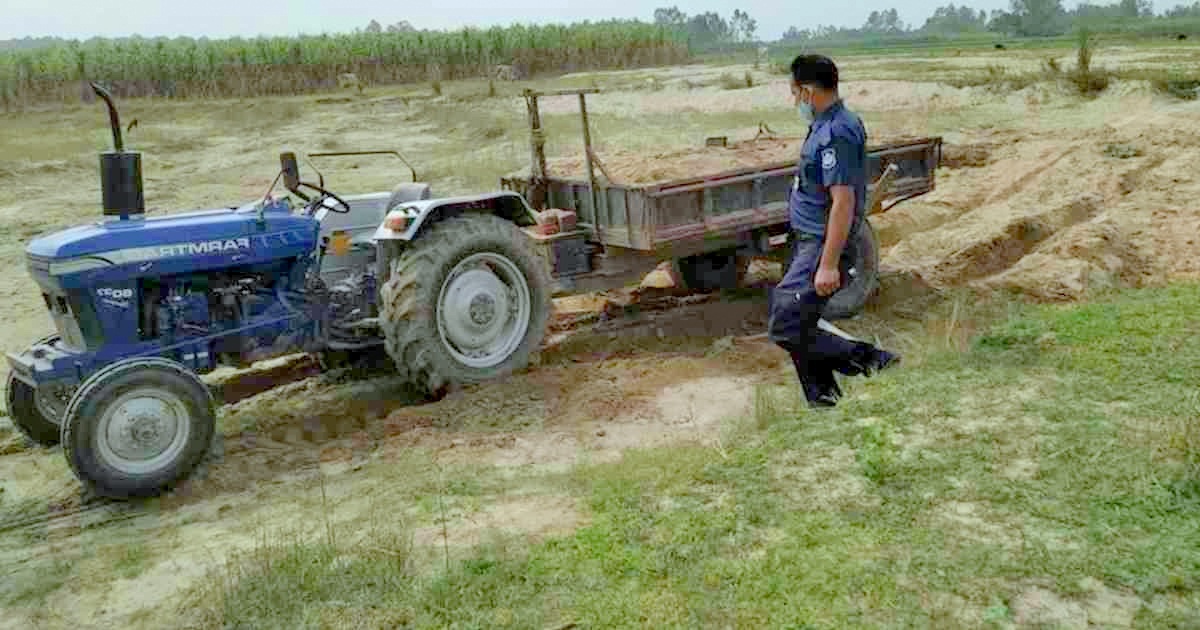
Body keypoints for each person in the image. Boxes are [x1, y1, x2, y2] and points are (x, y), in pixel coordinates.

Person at [767, 54, 899, 409]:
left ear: (808, 91)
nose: (795, 101)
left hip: (821, 244)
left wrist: (827, 264)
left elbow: (843, 202)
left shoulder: (836, 131)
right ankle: (823, 402)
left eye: (795, 93)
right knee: (801, 325)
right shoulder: (828, 124)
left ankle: (875, 360)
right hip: (811, 241)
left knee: (785, 324)